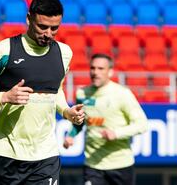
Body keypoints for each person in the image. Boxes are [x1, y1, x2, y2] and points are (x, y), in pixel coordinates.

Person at [0, 0, 85, 184]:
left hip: (46, 156)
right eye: (42, 27)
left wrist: (66, 111)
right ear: (29, 19)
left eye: (54, 28)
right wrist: (3, 97)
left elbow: (56, 90)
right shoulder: (3, 50)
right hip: (7, 155)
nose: (48, 34)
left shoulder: (64, 52)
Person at [63, 53, 148, 185]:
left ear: (110, 72)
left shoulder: (122, 94)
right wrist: (71, 135)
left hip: (120, 165)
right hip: (93, 165)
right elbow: (80, 122)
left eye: (101, 69)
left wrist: (116, 133)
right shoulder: (82, 93)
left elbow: (142, 124)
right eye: (92, 68)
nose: (95, 72)